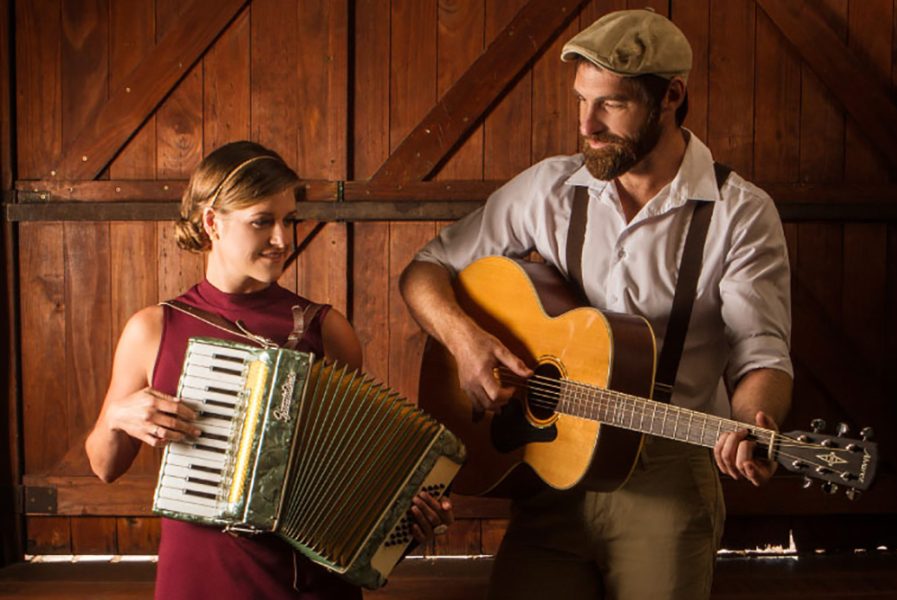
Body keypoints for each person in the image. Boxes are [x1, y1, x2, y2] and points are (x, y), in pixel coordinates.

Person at [399, 9, 792, 600]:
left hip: (665, 476)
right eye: (581, 100)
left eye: (610, 104)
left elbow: (760, 351)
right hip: (548, 479)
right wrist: (466, 341)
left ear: (671, 96)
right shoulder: (548, 190)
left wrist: (753, 426)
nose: (586, 124)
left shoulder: (740, 212)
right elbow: (425, 270)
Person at [85, 141, 453, 600]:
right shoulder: (153, 329)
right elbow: (104, 466)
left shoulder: (327, 328)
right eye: (262, 222)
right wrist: (119, 416)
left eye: (289, 221)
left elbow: (351, 476)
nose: (283, 240)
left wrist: (405, 515)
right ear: (212, 223)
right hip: (199, 579)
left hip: (306, 583)